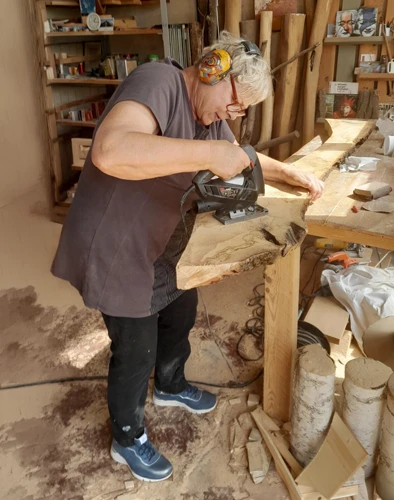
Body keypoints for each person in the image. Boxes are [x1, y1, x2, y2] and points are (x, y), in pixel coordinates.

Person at [51, 31, 324, 483]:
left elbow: (237, 156)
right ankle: (127, 437)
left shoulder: (210, 119)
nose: (233, 114)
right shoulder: (159, 82)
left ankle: (171, 384)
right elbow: (110, 150)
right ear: (213, 69)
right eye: (234, 103)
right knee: (135, 348)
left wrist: (286, 173)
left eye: (241, 110)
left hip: (163, 240)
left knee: (181, 311)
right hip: (118, 244)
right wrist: (211, 152)